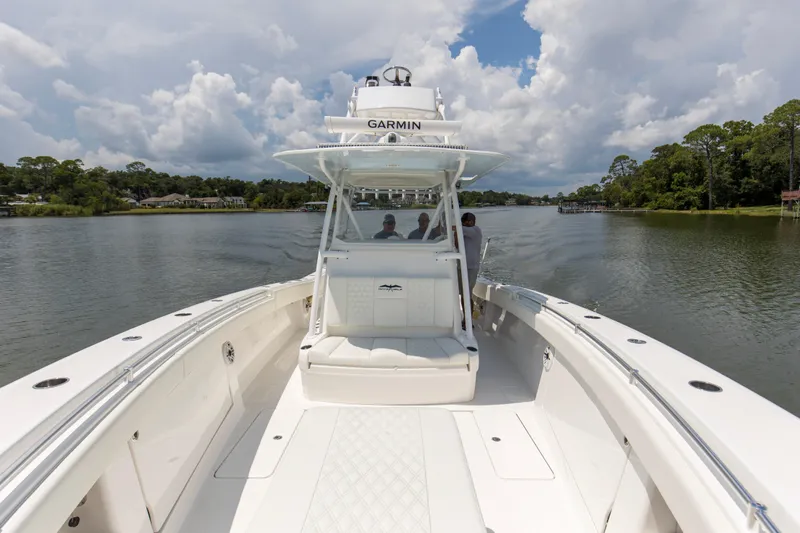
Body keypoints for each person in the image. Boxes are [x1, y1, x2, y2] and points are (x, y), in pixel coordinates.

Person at [454, 212, 482, 326]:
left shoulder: (475, 230)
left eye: (472, 220)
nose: (472, 222)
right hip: (462, 267)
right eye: (470, 221)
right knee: (463, 294)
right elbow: (456, 245)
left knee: (467, 294)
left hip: (471, 268)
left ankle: (468, 321)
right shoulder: (463, 232)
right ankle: (466, 319)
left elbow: (457, 228)